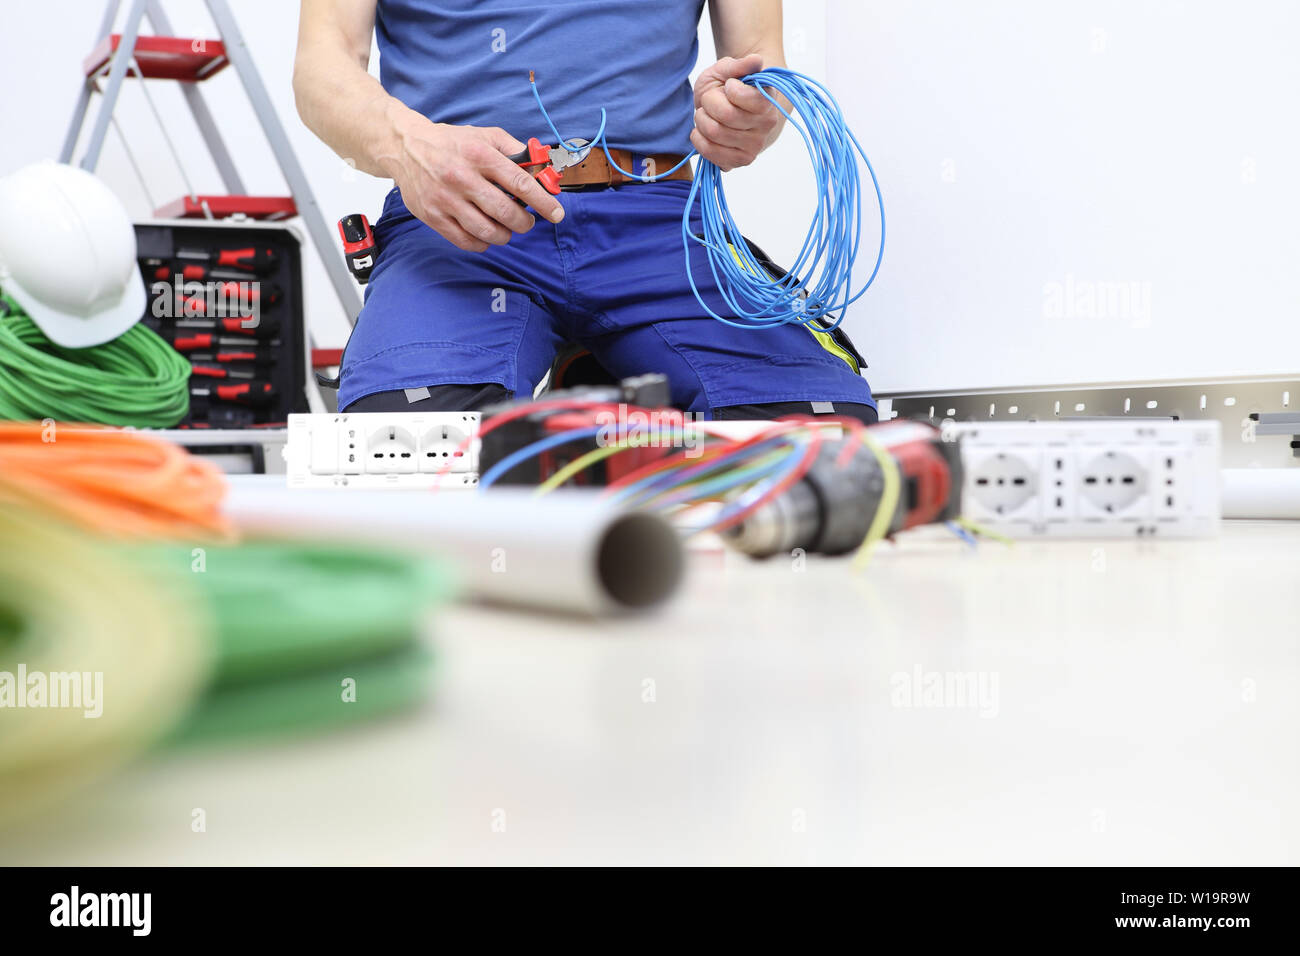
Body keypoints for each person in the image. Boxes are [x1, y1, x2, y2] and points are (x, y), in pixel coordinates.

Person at [293, 0, 877, 421]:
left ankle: (599, 378)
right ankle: (608, 374)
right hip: (465, 218)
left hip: (661, 227)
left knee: (821, 433)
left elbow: (758, 62)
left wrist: (750, 111)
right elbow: (323, 64)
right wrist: (406, 146)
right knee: (412, 439)